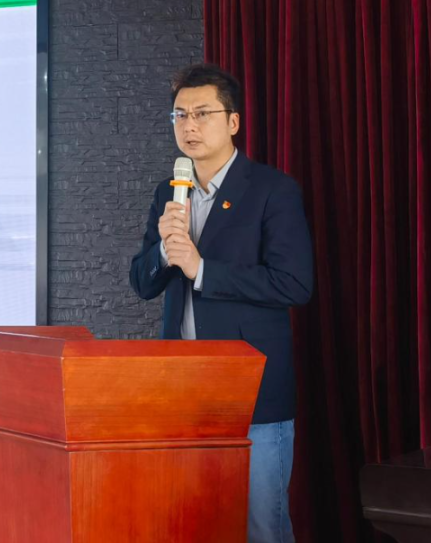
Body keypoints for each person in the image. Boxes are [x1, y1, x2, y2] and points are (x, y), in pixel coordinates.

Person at [129, 63, 314, 543]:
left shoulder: (272, 190)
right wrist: (163, 251)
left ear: (232, 122)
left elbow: (294, 284)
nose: (188, 125)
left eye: (202, 113)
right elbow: (142, 282)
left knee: (261, 527)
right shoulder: (169, 192)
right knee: (193, 522)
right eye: (179, 115)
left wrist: (202, 269)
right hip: (182, 392)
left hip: (251, 393)